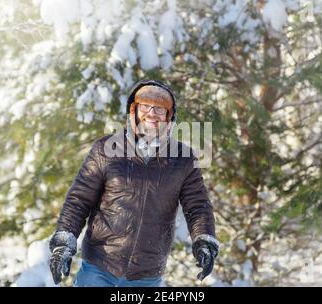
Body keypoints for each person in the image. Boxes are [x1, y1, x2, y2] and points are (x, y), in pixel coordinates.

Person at [49, 79, 219, 287]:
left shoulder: (183, 158)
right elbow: (79, 199)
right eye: (145, 106)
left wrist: (204, 239)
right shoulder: (106, 149)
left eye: (159, 109)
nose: (151, 113)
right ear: (134, 110)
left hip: (146, 274)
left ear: (169, 117)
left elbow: (197, 205)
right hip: (99, 266)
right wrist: (64, 242)